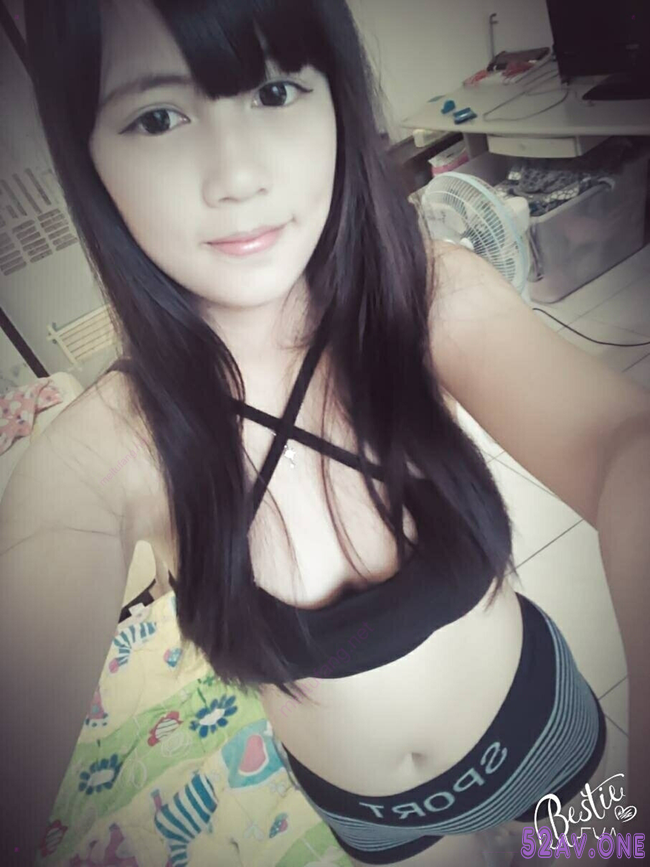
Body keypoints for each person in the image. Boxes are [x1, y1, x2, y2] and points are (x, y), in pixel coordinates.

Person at [5, 0, 649, 864]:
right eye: (157, 117)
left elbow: (624, 444)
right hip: (371, 818)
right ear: (89, 157)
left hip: (540, 739)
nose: (238, 175)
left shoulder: (427, 299)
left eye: (274, 91)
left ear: (334, 96)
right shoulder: (101, 456)